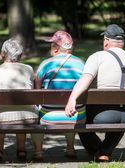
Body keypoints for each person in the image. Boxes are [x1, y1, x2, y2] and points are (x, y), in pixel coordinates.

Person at [65, 24, 125, 161]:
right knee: (120, 118)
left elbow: (86, 78)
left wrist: (72, 99)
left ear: (106, 40)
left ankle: (97, 151)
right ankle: (105, 151)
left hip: (103, 116)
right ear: (122, 42)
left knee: (81, 116)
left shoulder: (98, 57)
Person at [32, 30, 86, 160]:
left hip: (48, 117)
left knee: (35, 112)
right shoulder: (81, 64)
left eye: (52, 45)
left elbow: (37, 91)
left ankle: (38, 151)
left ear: (55, 48)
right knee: (72, 108)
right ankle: (70, 148)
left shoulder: (46, 64)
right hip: (76, 117)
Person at [0, 39, 38, 161]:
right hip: (29, 116)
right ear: (20, 55)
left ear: (2, 54)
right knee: (22, 108)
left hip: (0, 118)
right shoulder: (28, 69)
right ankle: (21, 150)